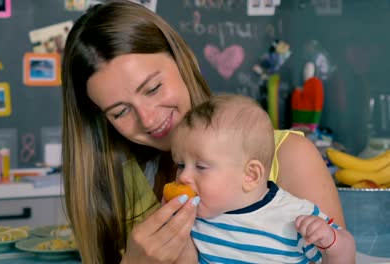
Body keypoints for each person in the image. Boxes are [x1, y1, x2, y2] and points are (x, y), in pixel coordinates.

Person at [61, 1, 346, 263]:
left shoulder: (289, 157)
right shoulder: (123, 182)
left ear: (181, 60)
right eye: (120, 111)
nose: (147, 120)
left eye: (153, 88)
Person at [170, 94, 355, 263]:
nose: (183, 176)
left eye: (201, 167)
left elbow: (344, 258)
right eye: (180, 165)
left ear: (251, 175)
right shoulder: (194, 220)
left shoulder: (295, 217)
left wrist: (335, 246)